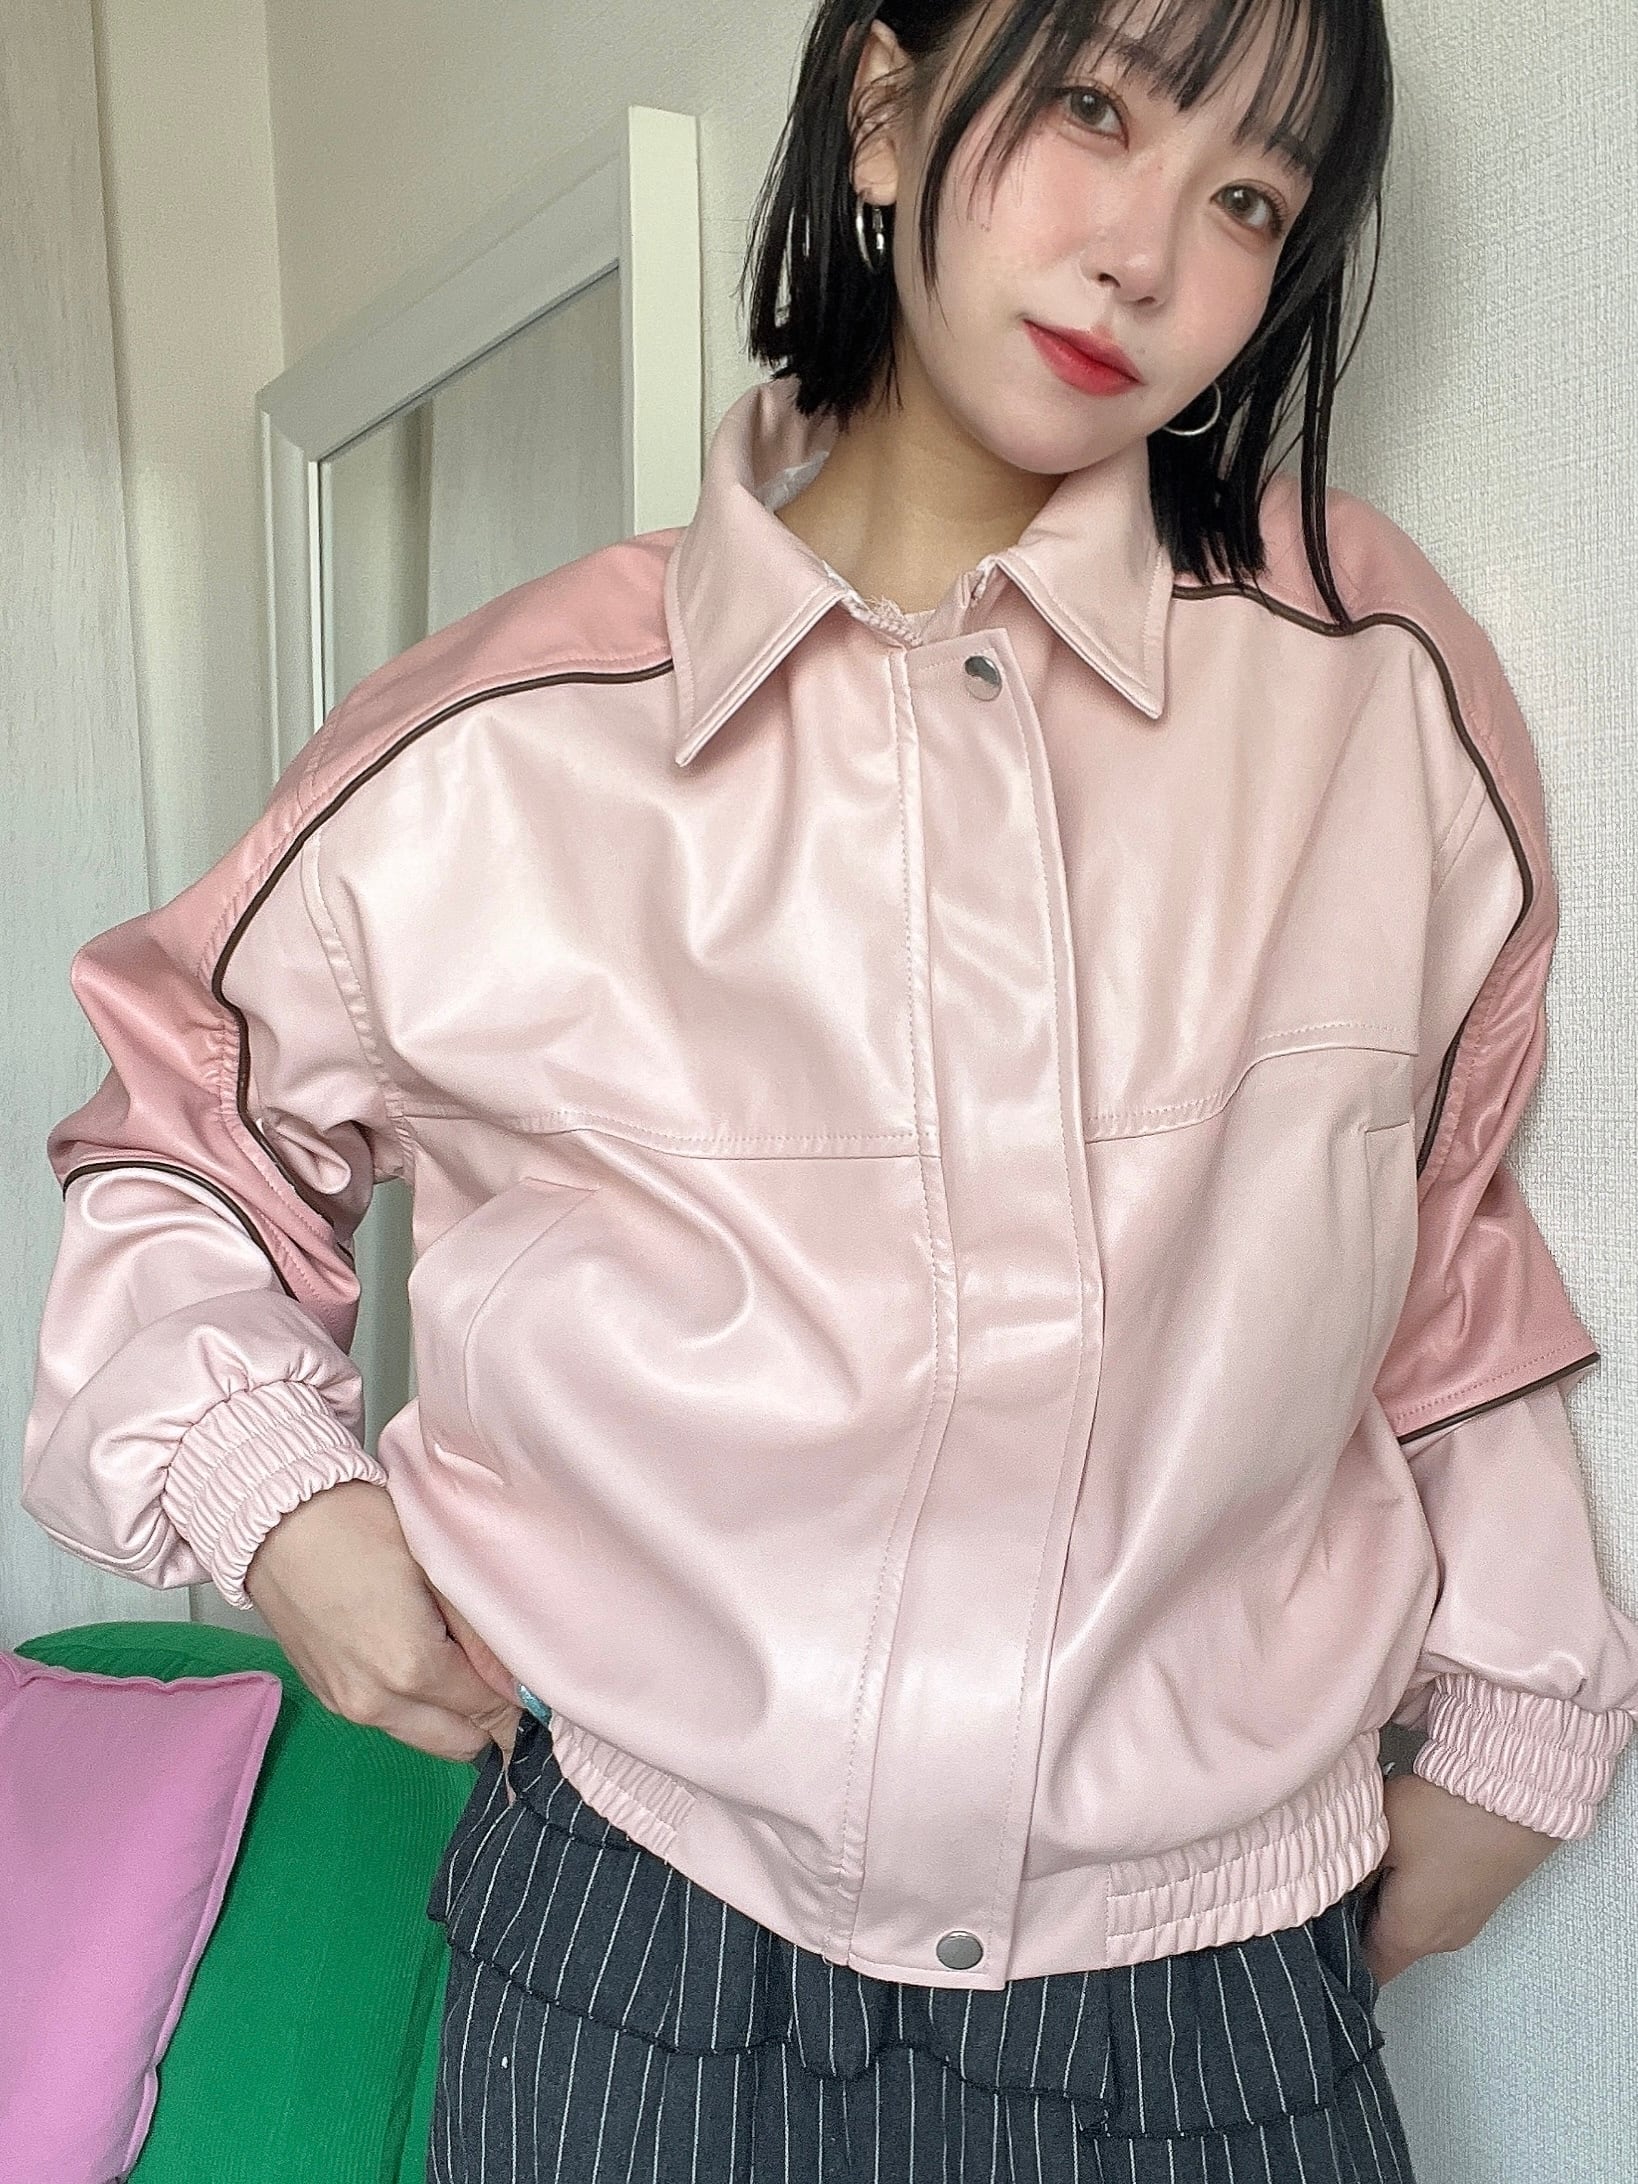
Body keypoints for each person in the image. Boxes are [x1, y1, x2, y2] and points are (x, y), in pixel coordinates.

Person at [19, 0, 1638, 2176]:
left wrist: (1529, 1698)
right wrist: (275, 1500)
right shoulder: (502, 742)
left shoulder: (1373, 686)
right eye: (1090, 108)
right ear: (882, 109)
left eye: (1248, 197)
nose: (1147, 254)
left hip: (1219, 1982)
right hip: (633, 1957)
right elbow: (178, 1136)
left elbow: (1430, 1209)